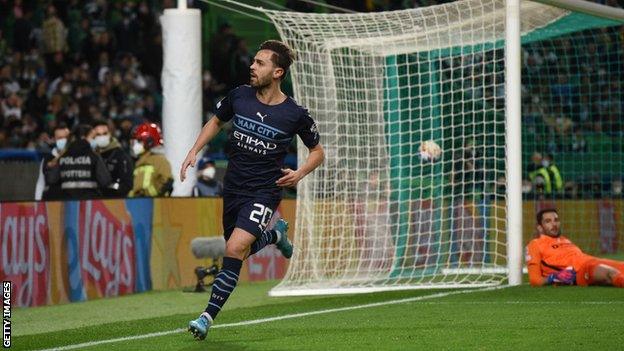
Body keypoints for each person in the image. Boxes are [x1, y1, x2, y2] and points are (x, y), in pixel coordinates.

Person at [180, 40, 324, 341]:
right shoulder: (240, 96)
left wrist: (299, 173)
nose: (252, 66)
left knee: (233, 249)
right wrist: (194, 150)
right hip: (232, 187)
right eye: (253, 61)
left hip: (264, 192)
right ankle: (275, 236)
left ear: (277, 72)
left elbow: (317, 152)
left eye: (260, 63)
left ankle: (206, 317)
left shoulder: (295, 113)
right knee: (238, 252)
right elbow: (216, 121)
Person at [526, 208, 624, 288]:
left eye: (556, 220)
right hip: (581, 271)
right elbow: (534, 280)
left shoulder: (565, 240)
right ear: (540, 227)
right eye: (548, 221)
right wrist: (554, 277)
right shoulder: (535, 244)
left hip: (594, 261)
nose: (554, 224)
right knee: (610, 273)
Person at [45, 124, 112, 199]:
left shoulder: (63, 156)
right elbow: (105, 181)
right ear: (83, 137)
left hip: (68, 203)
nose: (94, 140)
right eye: (92, 137)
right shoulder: (94, 156)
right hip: (90, 203)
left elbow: (51, 179)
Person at [128, 122, 173, 197]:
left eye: (139, 141)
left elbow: (167, 182)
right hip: (138, 204)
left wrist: (151, 195)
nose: (135, 145)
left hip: (155, 205)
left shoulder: (159, 160)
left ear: (149, 142)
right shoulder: (139, 162)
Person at [92, 120, 134, 198]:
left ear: (110, 134)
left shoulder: (121, 156)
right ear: (93, 136)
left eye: (105, 133)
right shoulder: (90, 155)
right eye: (98, 134)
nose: (101, 137)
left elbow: (127, 184)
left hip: (114, 201)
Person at [40, 123, 70, 200]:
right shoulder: (47, 159)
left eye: (66, 137)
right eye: (60, 138)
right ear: (53, 139)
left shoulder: (75, 157)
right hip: (52, 201)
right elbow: (40, 184)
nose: (64, 140)